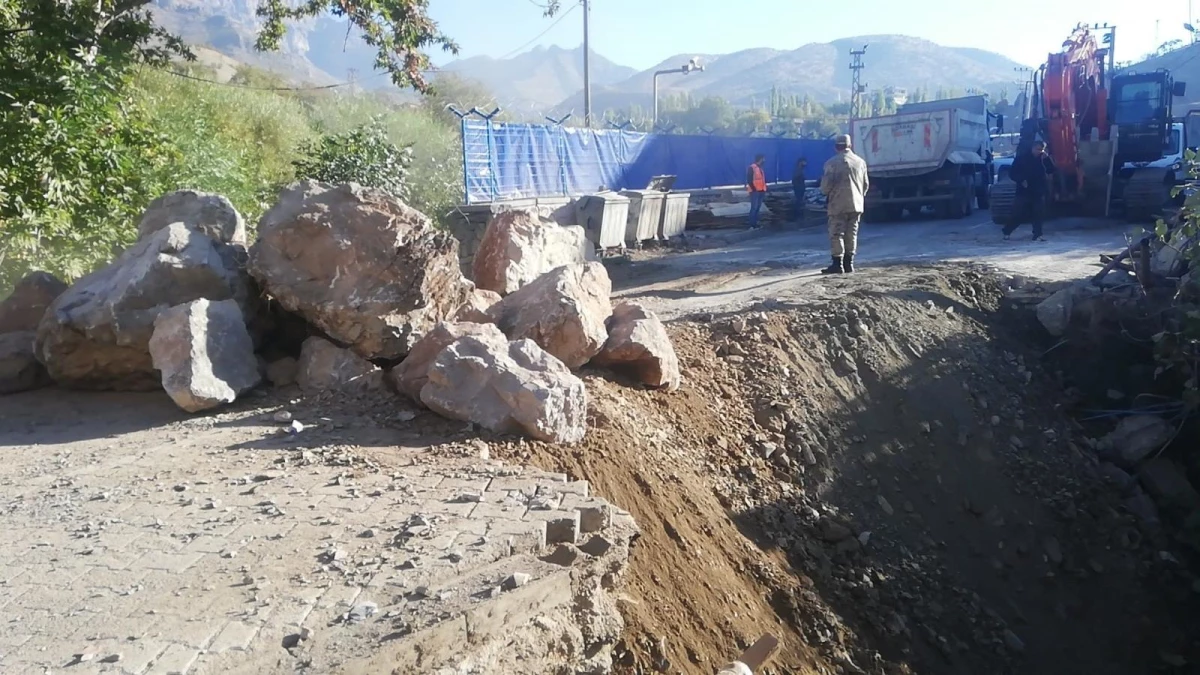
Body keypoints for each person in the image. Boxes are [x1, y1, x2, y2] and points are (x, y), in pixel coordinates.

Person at [819, 134, 870, 274]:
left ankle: (837, 263)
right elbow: (865, 185)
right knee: (851, 233)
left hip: (838, 204)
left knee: (837, 233)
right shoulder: (860, 162)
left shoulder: (832, 163)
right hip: (856, 204)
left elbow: (825, 187)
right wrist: (859, 197)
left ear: (836, 147)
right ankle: (849, 263)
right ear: (850, 145)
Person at [1003, 140, 1055, 241]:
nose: (1040, 152)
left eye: (1042, 150)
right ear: (1033, 148)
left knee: (1038, 213)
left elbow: (1051, 170)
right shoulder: (1021, 159)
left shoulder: (1043, 159)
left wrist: (1047, 159)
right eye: (1038, 149)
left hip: (1038, 190)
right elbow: (1012, 173)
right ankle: (1007, 231)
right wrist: (1021, 180)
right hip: (1024, 190)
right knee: (1018, 213)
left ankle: (1038, 234)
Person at [746, 154, 767, 229]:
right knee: (754, 208)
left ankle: (756, 223)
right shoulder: (752, 167)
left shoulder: (760, 168)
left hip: (761, 190)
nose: (764, 160)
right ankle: (752, 224)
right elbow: (749, 180)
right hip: (755, 191)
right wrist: (754, 189)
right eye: (763, 159)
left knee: (757, 208)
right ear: (760, 159)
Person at [792, 157, 808, 224]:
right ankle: (797, 217)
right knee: (798, 202)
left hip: (800, 188)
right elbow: (795, 179)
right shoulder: (798, 170)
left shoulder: (800, 169)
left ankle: (798, 216)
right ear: (801, 162)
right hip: (799, 188)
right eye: (804, 162)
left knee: (799, 202)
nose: (806, 163)